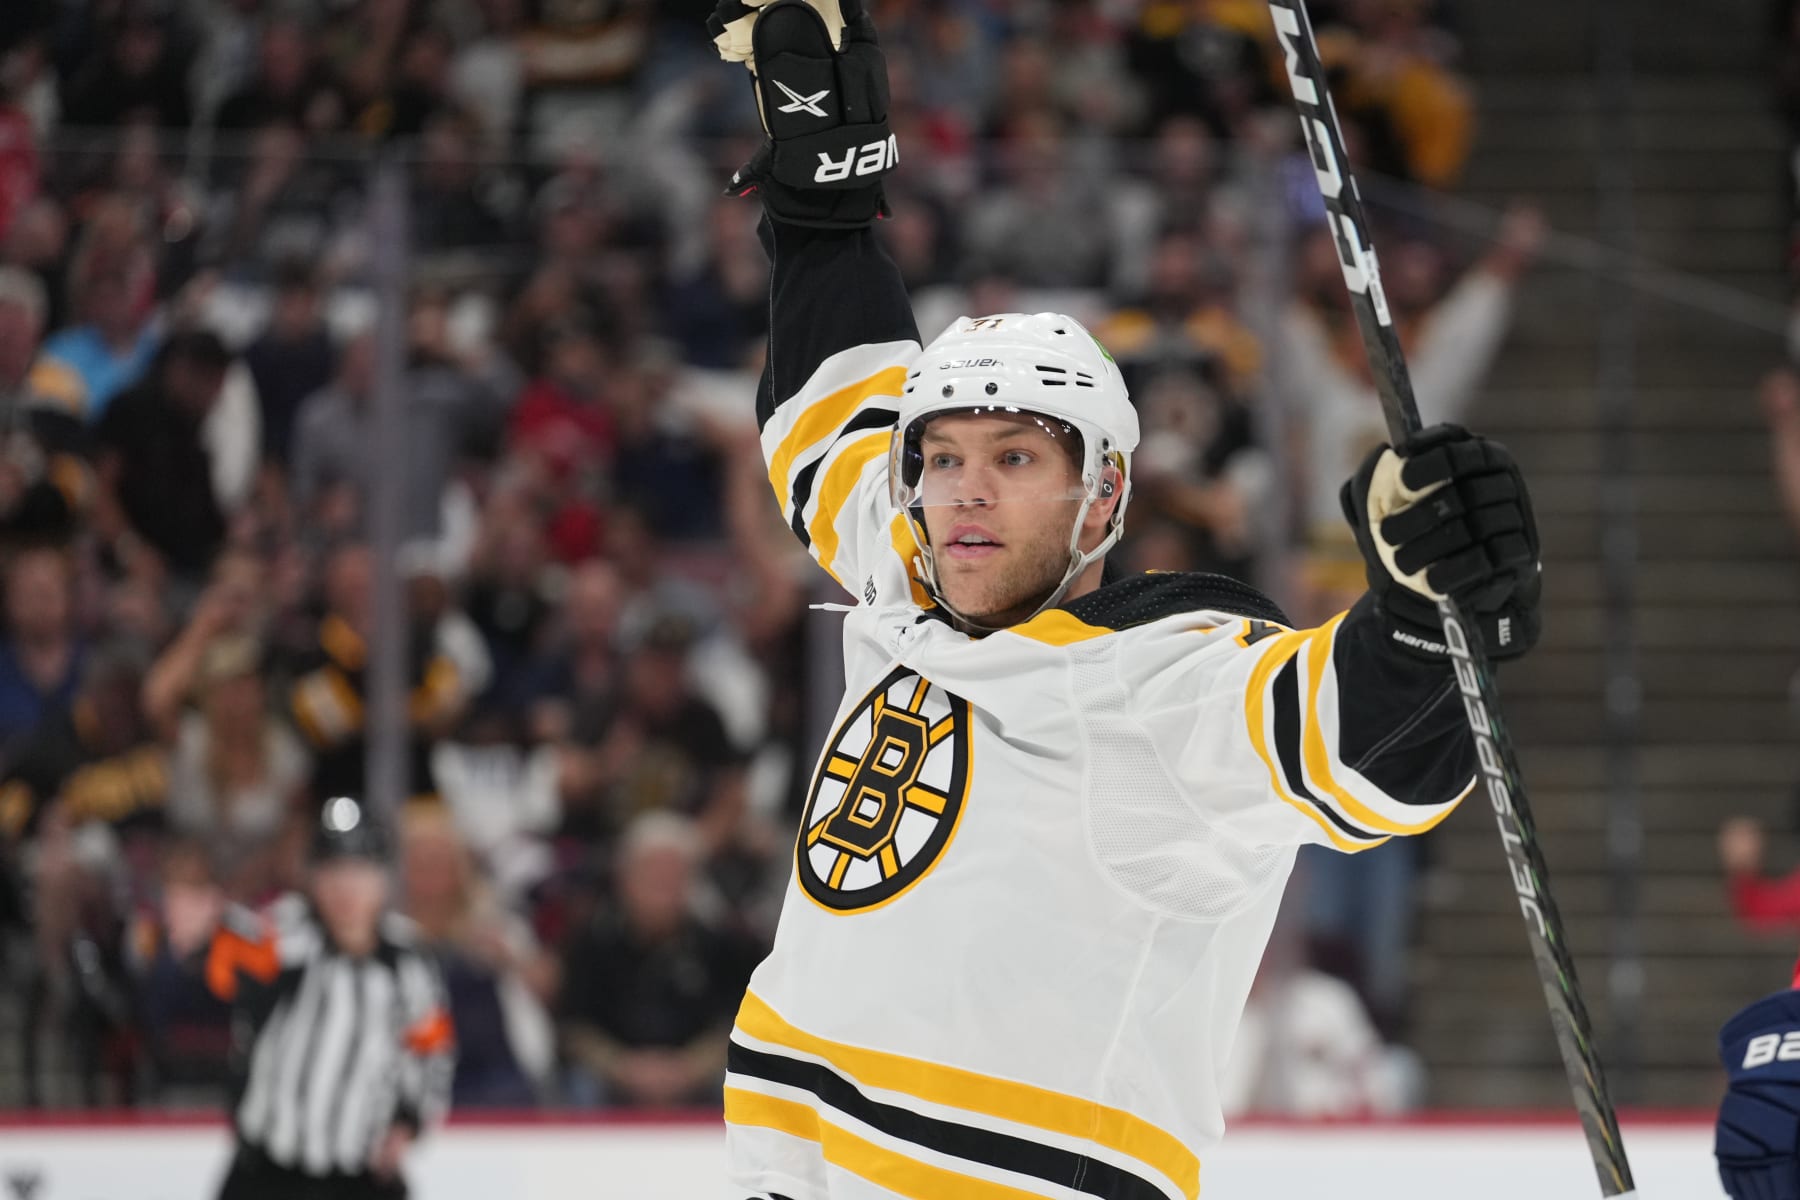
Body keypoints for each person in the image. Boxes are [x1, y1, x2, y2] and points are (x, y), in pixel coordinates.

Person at [705, 3, 1543, 1198]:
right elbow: (831, 413)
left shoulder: (1161, 684)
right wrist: (823, 211)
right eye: (942, 457)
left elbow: (1363, 747)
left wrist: (1434, 613)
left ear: (1100, 501)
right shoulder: (908, 566)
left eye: (1015, 459)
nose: (967, 494)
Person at [201, 796, 454, 1200]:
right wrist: (205, 925)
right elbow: (221, 966)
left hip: (358, 1177)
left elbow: (432, 1054)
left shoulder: (409, 965)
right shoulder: (287, 937)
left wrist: (409, 1123)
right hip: (268, 1173)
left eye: (359, 871)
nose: (345, 887)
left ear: (384, 879)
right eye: (332, 870)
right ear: (313, 879)